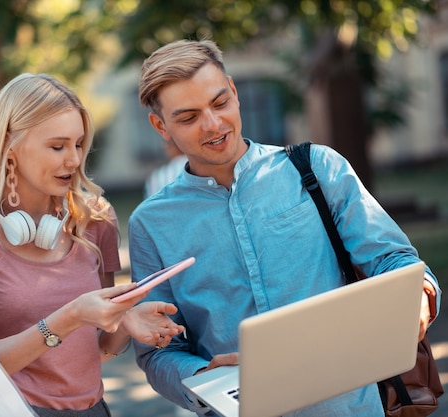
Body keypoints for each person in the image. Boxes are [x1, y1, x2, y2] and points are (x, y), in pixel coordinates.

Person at [128, 39, 442, 416]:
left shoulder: (317, 169)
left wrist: (417, 300)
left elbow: (395, 260)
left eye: (219, 103)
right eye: (188, 117)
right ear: (159, 126)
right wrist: (203, 376)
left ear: (233, 91)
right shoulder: (150, 224)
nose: (213, 125)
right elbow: (159, 352)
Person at [0, 73, 184, 417]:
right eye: (57, 146)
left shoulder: (96, 220)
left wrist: (125, 320)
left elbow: (97, 350)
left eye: (79, 144)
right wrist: (67, 317)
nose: (74, 160)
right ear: (11, 145)